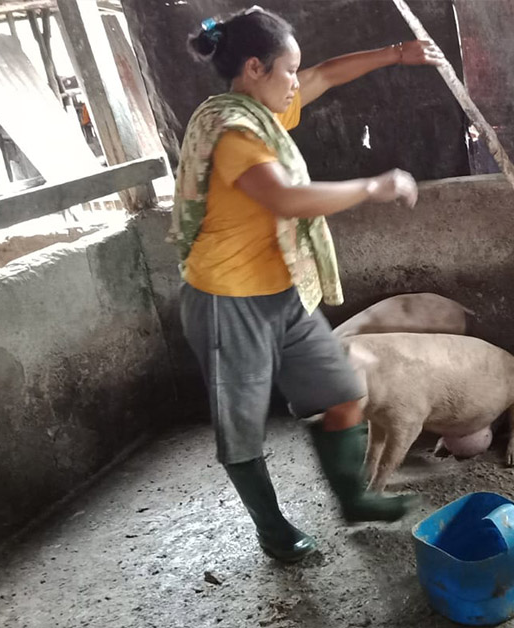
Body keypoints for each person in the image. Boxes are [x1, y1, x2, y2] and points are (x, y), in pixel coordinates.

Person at [170, 6, 444, 563]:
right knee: (243, 429)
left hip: (283, 291)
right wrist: (373, 185)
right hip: (226, 299)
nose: (298, 80)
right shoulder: (234, 131)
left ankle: (353, 498)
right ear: (253, 68)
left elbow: (327, 74)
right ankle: (274, 531)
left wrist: (397, 53)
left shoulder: (262, 107)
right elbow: (285, 199)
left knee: (343, 393)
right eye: (287, 70)